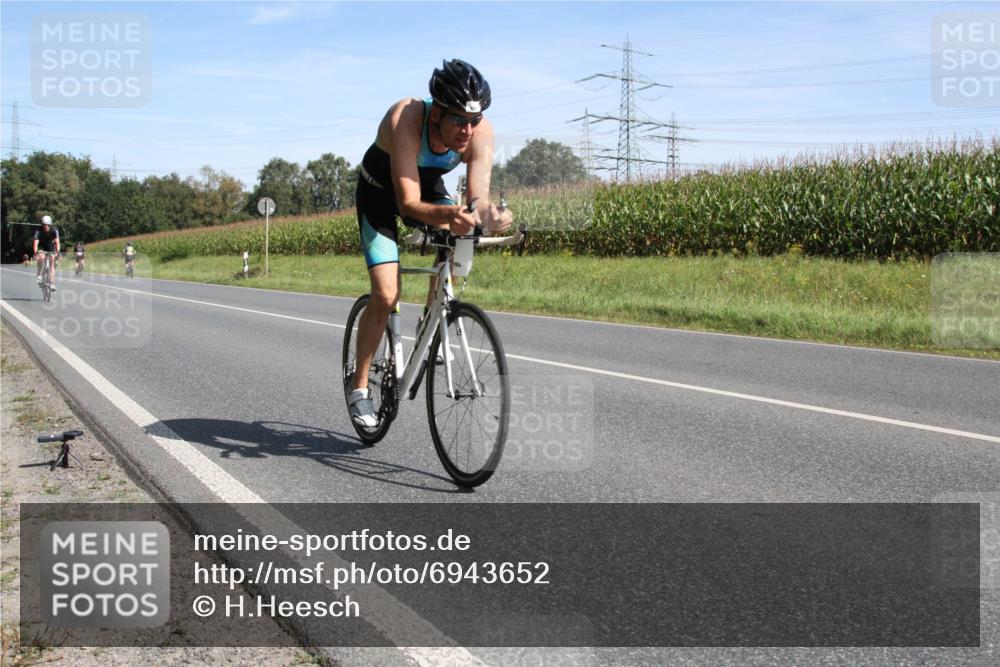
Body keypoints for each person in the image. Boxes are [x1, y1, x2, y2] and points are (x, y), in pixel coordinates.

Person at [348, 59, 513, 428]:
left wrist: (492, 215)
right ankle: (359, 387)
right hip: (381, 194)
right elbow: (407, 204)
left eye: (474, 120)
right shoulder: (406, 117)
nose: (467, 130)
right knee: (387, 294)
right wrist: (450, 215)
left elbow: (476, 202)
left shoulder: (481, 133)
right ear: (436, 113)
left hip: (428, 190)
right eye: (458, 119)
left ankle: (430, 323)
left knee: (460, 234)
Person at [33, 215, 60, 291]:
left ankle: (52, 283)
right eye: (44, 224)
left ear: (50, 225)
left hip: (50, 246)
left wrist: (57, 253)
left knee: (52, 262)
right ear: (42, 224)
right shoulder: (38, 231)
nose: (46, 226)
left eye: (48, 225)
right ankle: (39, 275)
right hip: (42, 246)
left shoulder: (54, 230)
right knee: (42, 257)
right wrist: (36, 253)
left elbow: (57, 243)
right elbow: (35, 244)